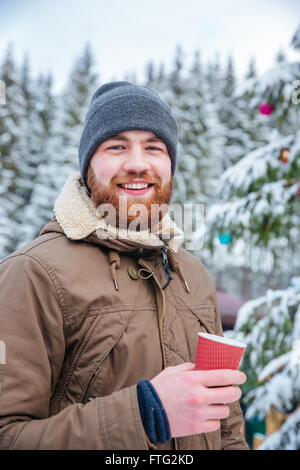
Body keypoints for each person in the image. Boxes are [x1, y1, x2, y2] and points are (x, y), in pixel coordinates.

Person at [0, 81, 248, 450]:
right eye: (116, 146)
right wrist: (146, 414)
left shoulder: (192, 274)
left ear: (170, 164)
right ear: (88, 165)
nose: (137, 164)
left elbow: (227, 428)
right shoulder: (33, 274)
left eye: (154, 147)